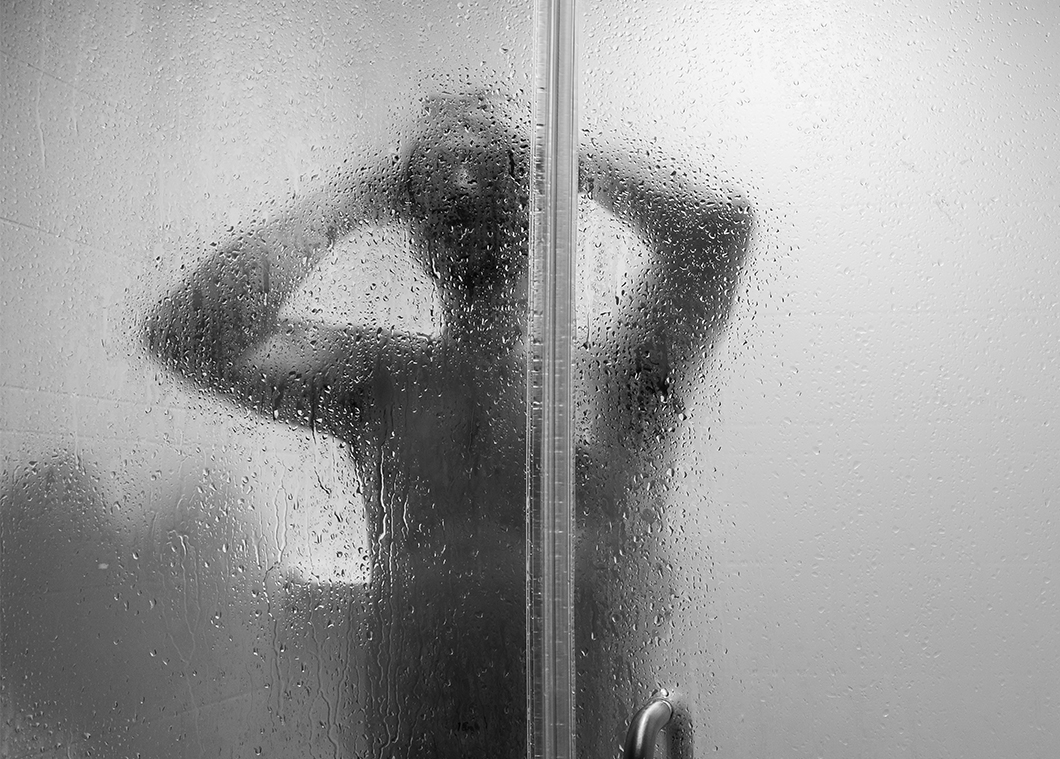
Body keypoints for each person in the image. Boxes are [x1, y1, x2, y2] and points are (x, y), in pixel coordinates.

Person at [143, 89, 752, 758]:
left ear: (534, 211)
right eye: (440, 189)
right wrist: (360, 194)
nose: (468, 197)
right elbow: (188, 335)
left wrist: (563, 162)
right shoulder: (378, 384)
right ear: (415, 233)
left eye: (495, 178)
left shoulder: (613, 382)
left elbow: (717, 233)